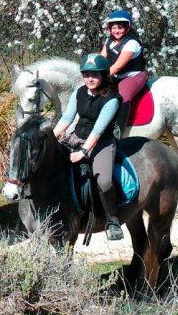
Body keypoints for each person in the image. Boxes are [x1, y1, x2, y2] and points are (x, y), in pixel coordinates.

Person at [52, 54, 124, 241]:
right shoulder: (80, 92)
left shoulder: (112, 99)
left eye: (95, 75)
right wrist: (51, 139)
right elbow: (67, 118)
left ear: (103, 76)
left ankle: (112, 220)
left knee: (103, 179)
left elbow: (99, 130)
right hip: (76, 137)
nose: (90, 79)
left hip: (101, 143)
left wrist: (83, 152)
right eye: (86, 75)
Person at [99, 9, 148, 136]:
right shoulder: (109, 41)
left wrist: (99, 77)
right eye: (113, 28)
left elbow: (117, 66)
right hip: (116, 76)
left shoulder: (131, 43)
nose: (116, 31)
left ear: (127, 27)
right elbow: (101, 58)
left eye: (120, 28)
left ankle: (118, 130)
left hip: (133, 76)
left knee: (122, 95)